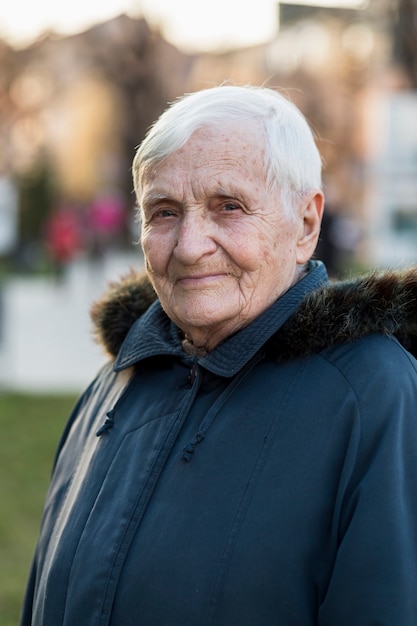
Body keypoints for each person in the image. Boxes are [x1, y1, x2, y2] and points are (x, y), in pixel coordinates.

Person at [20, 85, 417, 626]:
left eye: (227, 207)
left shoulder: (375, 396)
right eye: (163, 212)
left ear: (306, 225)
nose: (188, 246)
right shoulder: (115, 384)